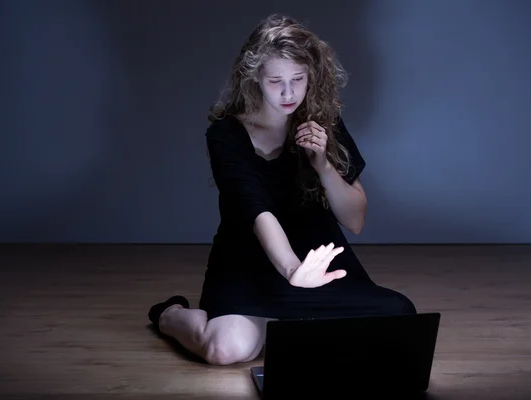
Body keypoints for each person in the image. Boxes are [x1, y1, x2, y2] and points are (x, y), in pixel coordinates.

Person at [148, 13, 416, 366]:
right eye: (276, 81)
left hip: (315, 261)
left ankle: (288, 320)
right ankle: (169, 314)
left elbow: (355, 220)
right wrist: (292, 271)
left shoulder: (325, 123)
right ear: (255, 77)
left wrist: (323, 165)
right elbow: (256, 209)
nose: (289, 93)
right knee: (224, 349)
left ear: (310, 77)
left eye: (298, 79)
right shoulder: (226, 135)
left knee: (401, 314)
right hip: (249, 263)